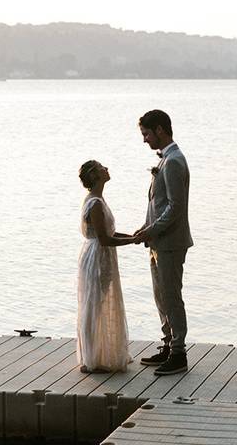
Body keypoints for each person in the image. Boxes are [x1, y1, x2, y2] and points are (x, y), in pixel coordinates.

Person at [132, 109, 193, 376]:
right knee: (160, 296)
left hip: (170, 242)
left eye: (146, 133)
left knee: (171, 296)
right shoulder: (167, 160)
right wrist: (146, 228)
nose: (144, 139)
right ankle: (169, 344)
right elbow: (157, 204)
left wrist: (151, 231)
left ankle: (179, 353)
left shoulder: (174, 161)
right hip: (158, 241)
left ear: (159, 129)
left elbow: (175, 208)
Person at [76, 160, 136, 373]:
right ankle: (91, 358)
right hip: (98, 256)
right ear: (95, 175)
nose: (107, 168)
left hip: (103, 255)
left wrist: (132, 236)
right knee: (94, 304)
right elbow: (104, 239)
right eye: (102, 167)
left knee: (99, 302)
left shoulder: (99, 199)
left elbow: (109, 234)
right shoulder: (95, 204)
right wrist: (132, 241)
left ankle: (102, 352)